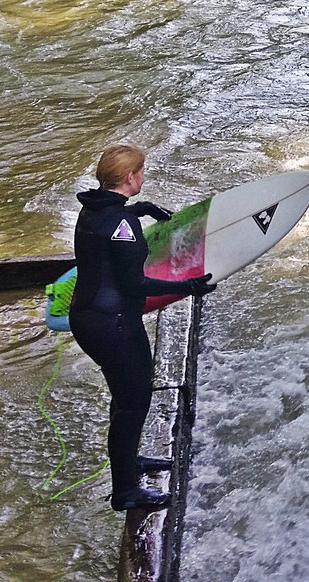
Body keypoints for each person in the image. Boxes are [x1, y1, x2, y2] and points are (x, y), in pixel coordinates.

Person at [69, 145, 213, 512]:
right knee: (133, 404)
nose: (144, 177)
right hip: (113, 323)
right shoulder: (122, 225)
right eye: (142, 171)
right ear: (131, 177)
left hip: (87, 317)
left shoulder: (92, 210)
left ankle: (129, 465)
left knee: (125, 399)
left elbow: (111, 224)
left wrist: (143, 210)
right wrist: (187, 286)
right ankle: (126, 493)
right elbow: (135, 284)